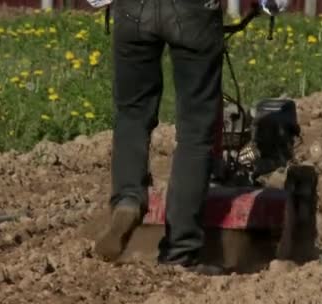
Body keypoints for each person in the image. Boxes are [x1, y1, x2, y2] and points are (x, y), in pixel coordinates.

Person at [94, 0, 226, 275]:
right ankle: (180, 251)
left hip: (132, 10)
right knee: (195, 129)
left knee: (132, 114)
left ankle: (128, 199)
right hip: (193, 13)